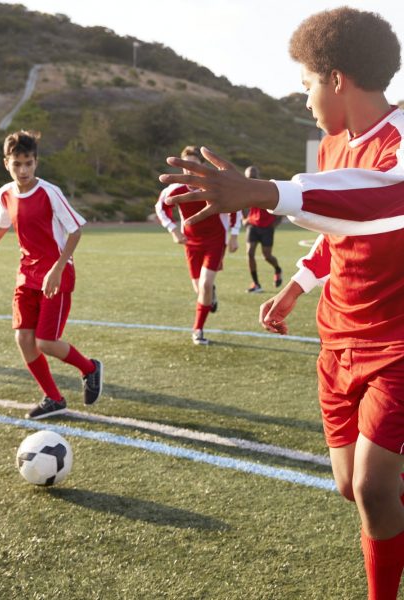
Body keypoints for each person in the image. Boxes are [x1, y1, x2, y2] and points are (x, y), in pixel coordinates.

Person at [159, 8, 404, 600]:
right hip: (337, 337)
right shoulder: (332, 147)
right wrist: (295, 286)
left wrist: (270, 190)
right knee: (351, 486)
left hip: (396, 342)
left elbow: (386, 199)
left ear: (336, 79)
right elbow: (336, 227)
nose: (305, 100)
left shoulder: (400, 140)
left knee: (373, 488)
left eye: (306, 85)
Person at [0, 130, 103, 419]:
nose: (23, 170)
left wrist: (57, 267)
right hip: (26, 274)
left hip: (56, 273)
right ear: (6, 163)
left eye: (28, 163)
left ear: (36, 162)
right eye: (17, 164)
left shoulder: (49, 192)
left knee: (46, 342)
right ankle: (53, 398)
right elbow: (1, 227)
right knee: (23, 339)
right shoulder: (5, 193)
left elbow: (76, 230)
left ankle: (90, 368)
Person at [155, 145, 240, 346]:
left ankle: (198, 330)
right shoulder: (175, 189)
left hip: (215, 240)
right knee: (199, 289)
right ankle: (211, 295)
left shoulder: (214, 186)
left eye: (193, 165)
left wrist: (234, 235)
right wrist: (173, 230)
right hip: (191, 242)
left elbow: (235, 207)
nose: (189, 170)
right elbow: (161, 207)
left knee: (204, 285)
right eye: (185, 166)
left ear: (202, 166)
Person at [241, 166, 282, 293]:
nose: (251, 179)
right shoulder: (244, 190)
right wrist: (244, 218)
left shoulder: (267, 187)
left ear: (258, 176)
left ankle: (278, 269)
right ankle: (256, 284)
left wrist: (275, 223)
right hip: (253, 226)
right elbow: (240, 204)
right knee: (249, 253)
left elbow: (280, 205)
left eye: (253, 176)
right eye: (249, 177)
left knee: (267, 256)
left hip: (267, 227)